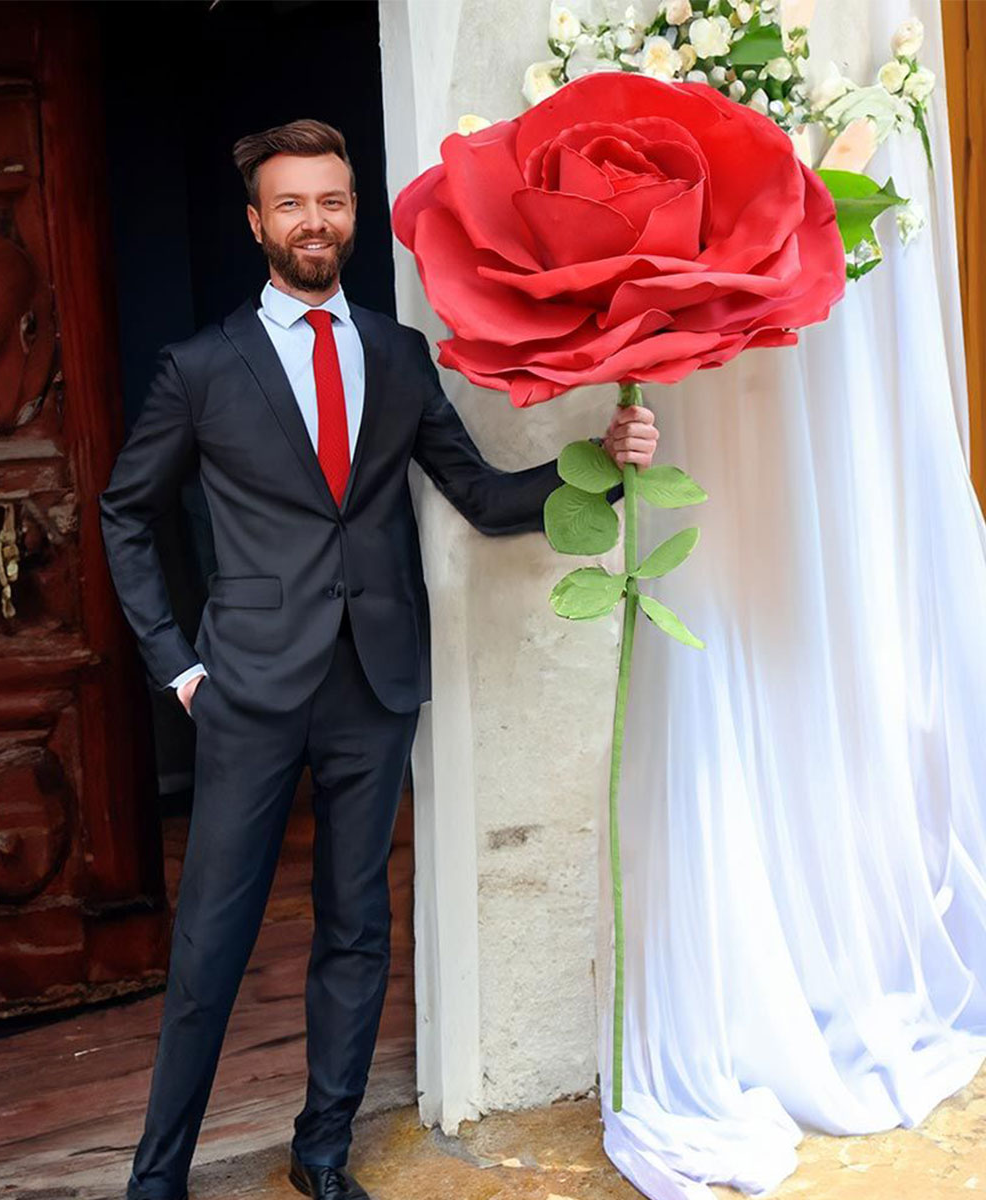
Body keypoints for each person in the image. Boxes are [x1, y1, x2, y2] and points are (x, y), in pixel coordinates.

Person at [98, 117, 659, 1200]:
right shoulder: (200, 368)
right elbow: (126, 514)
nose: (314, 221)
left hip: (376, 681)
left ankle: (322, 1154)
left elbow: (482, 496)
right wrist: (179, 666)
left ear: (354, 212)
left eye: (332, 200)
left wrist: (600, 463)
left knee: (358, 929)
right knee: (212, 941)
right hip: (248, 687)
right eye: (291, 204)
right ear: (257, 223)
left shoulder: (398, 355)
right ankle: (157, 1176)